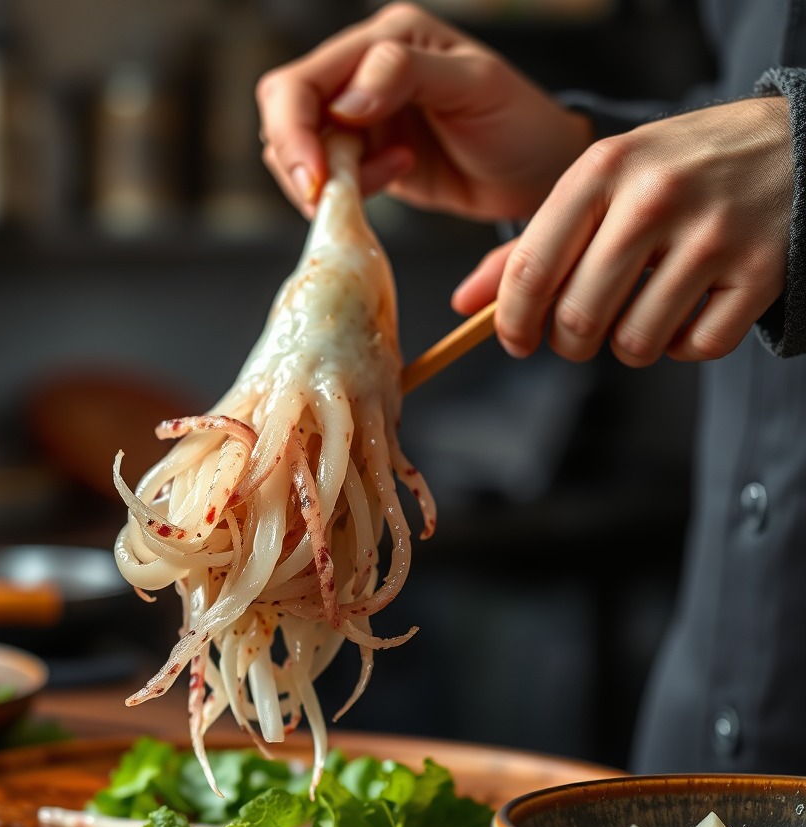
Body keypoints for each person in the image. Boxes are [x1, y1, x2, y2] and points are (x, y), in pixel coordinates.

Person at [255, 1, 806, 775]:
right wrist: (578, 154)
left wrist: (796, 154)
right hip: (705, 739)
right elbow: (748, 124)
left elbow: (776, 147)